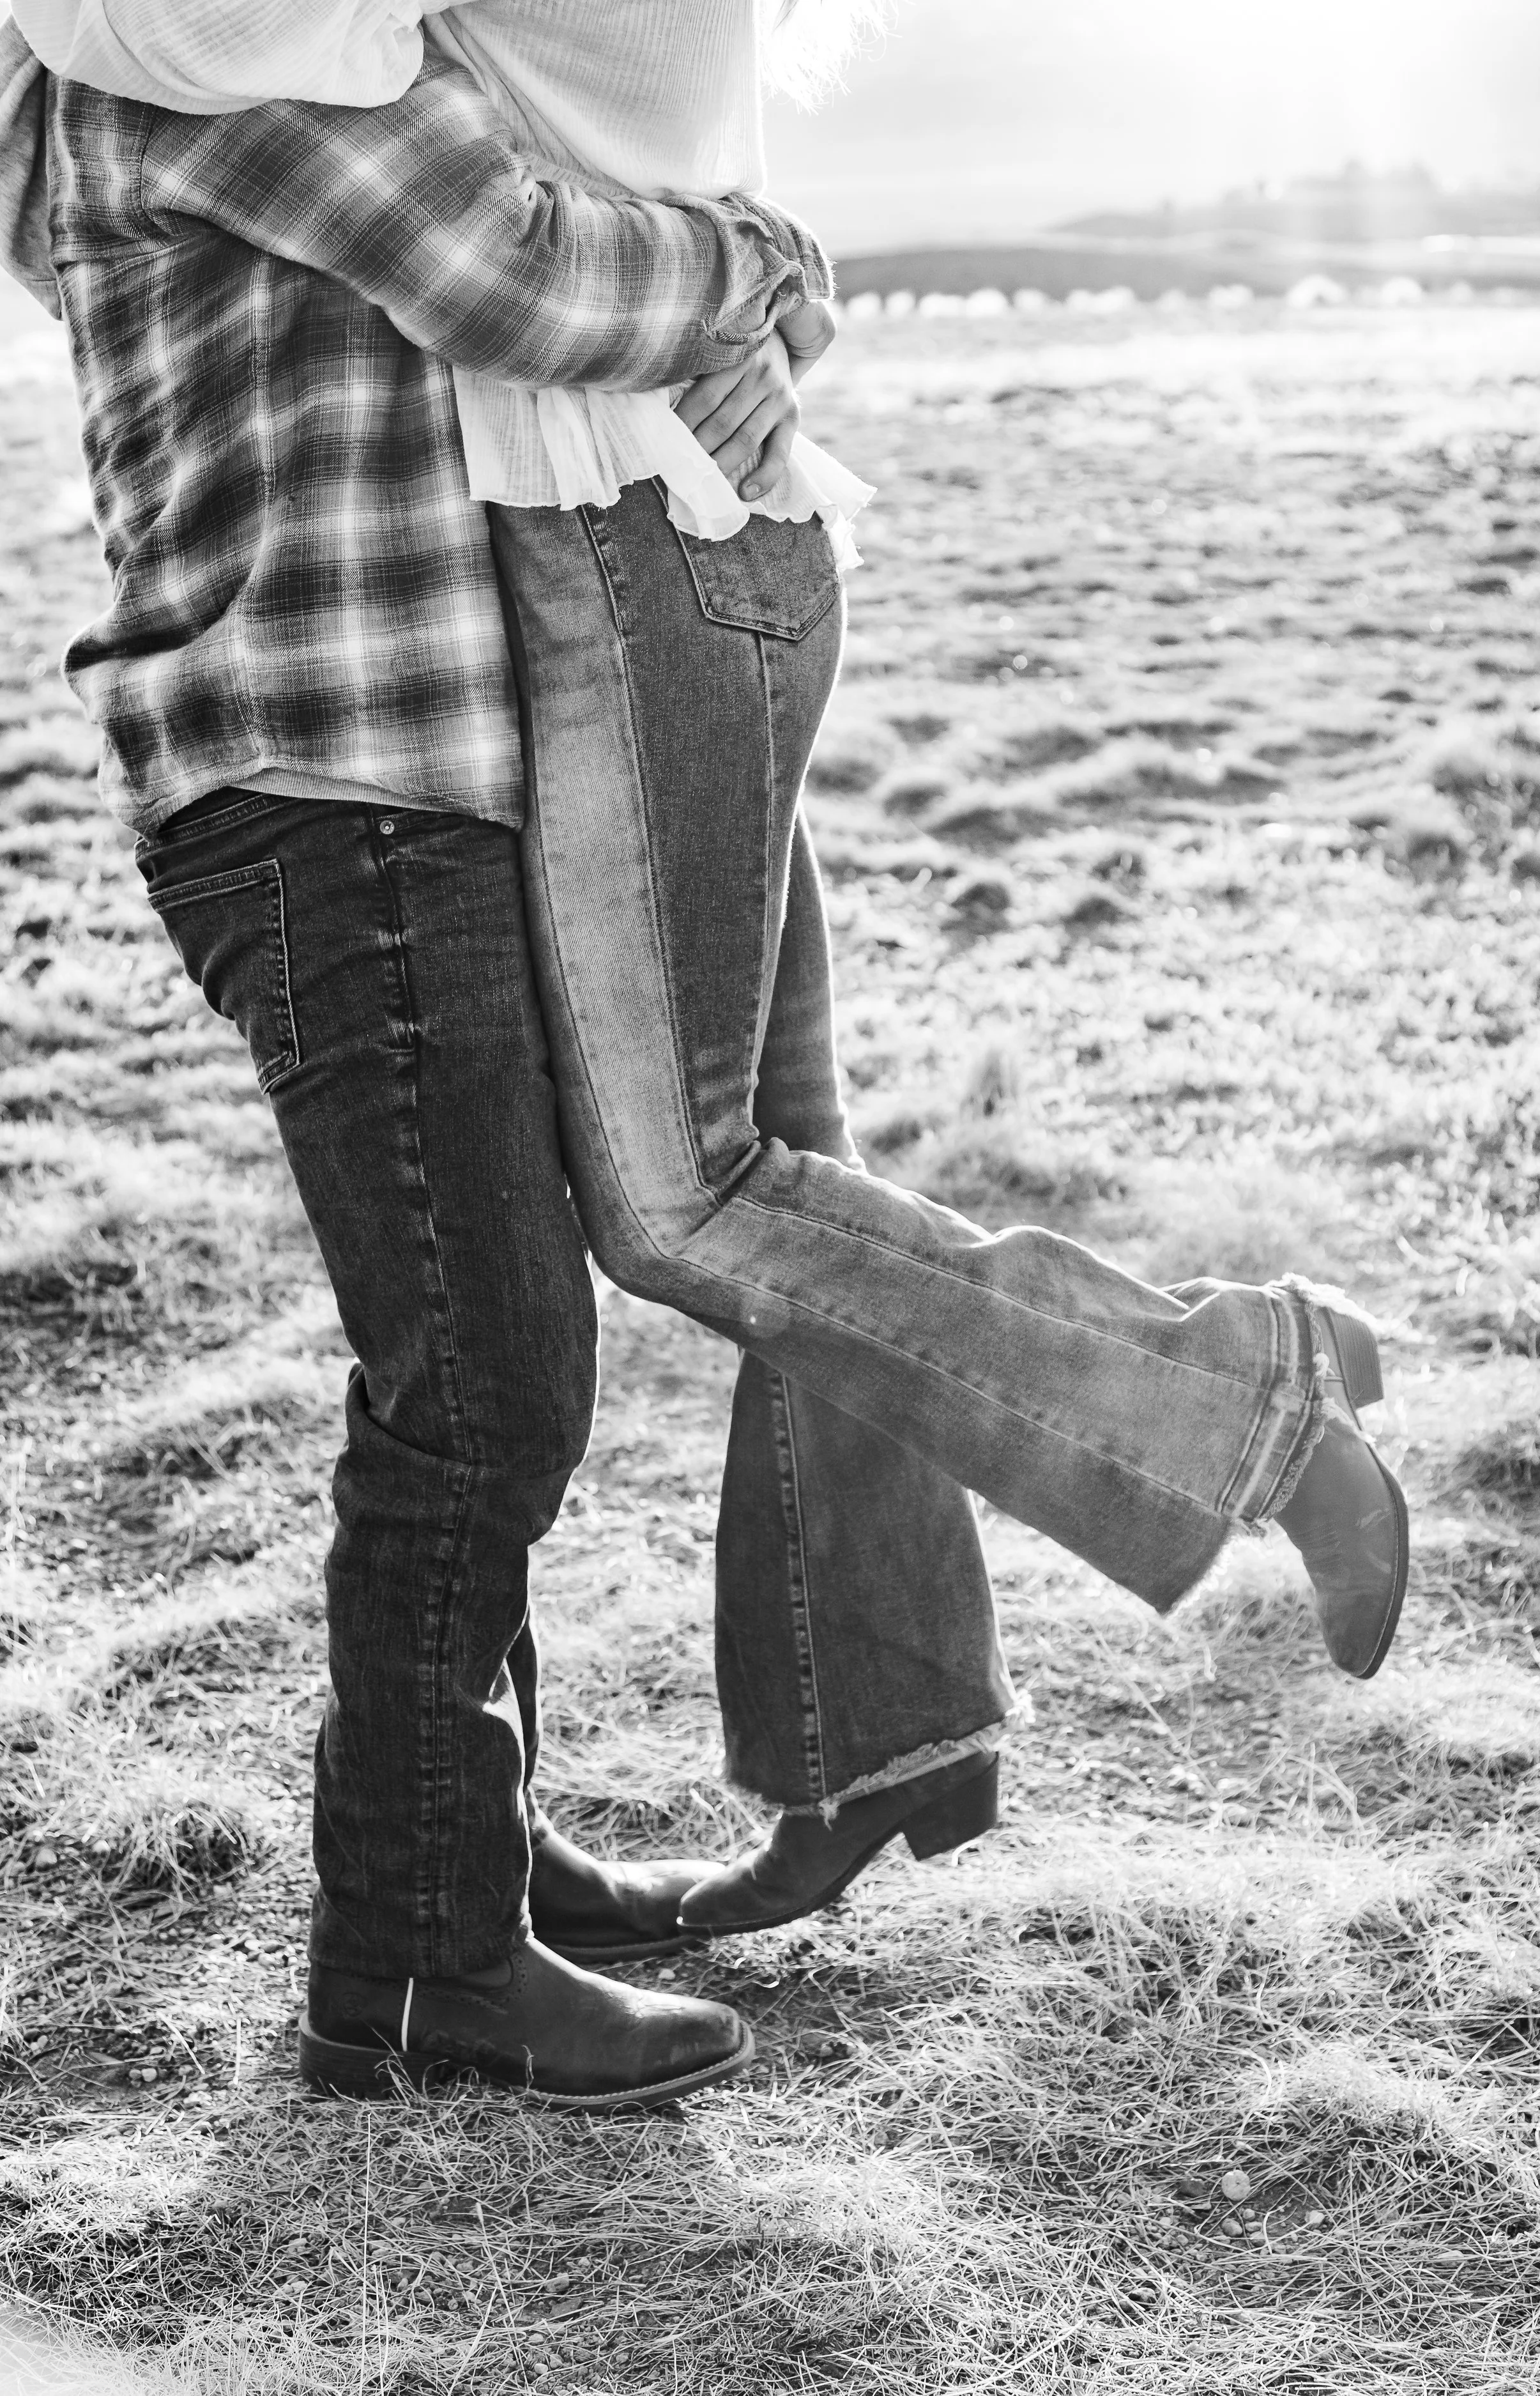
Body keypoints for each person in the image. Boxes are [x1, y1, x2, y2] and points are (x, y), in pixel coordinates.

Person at [1, 0, 1408, 2105]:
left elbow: (576, 189)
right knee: (492, 1376)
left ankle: (480, 1857)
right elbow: (524, 270)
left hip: (441, 762)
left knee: (544, 1317)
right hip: (336, 773)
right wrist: (760, 269)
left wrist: (757, 287)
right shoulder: (198, 52)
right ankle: (413, 1968)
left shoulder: (224, 48)